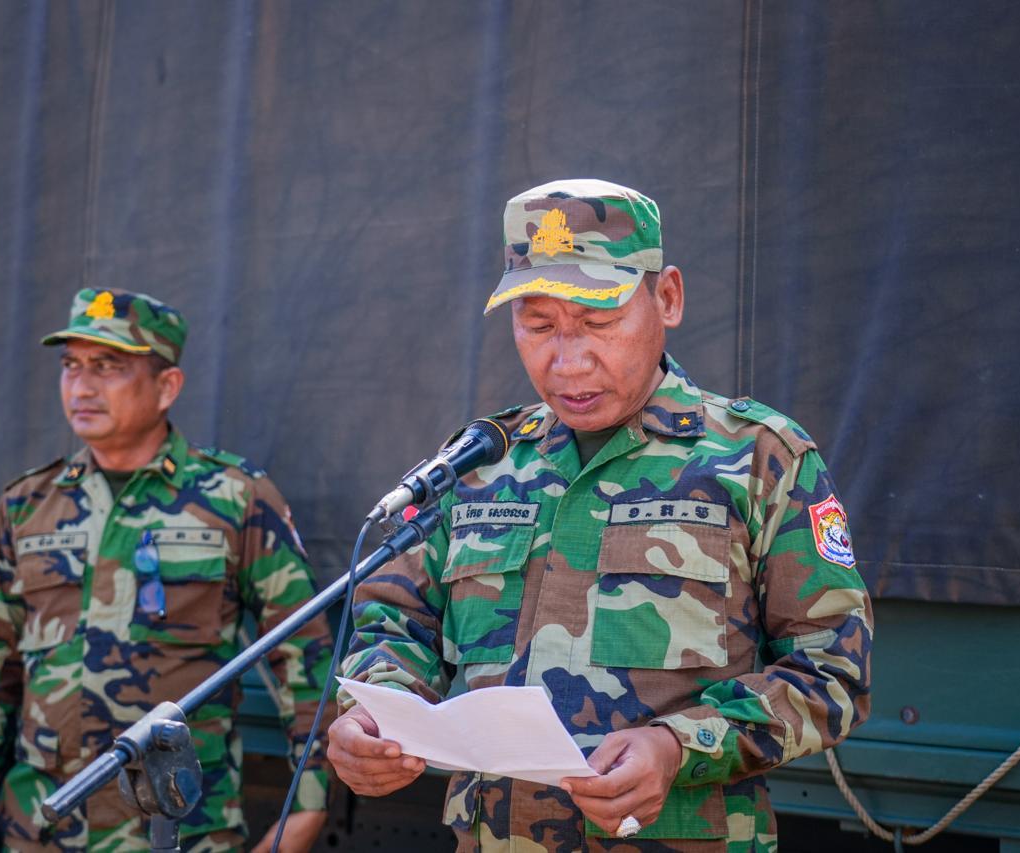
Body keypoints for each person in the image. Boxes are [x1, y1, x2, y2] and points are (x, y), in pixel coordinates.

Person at [328, 179, 873, 851]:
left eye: (599, 322)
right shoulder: (482, 462)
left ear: (666, 297)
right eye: (538, 326)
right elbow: (395, 623)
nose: (567, 360)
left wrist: (678, 746)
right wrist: (373, 715)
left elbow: (832, 671)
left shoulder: (759, 459)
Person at [0, 289, 333, 852]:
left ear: (167, 386)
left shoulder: (235, 498)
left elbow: (307, 660)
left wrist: (307, 807)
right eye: (71, 365)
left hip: (180, 831)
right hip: (39, 831)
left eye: (108, 366)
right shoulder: (27, 505)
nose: (81, 386)